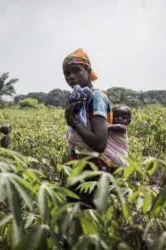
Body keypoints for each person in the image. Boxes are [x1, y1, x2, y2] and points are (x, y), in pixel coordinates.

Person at [63, 48, 113, 208]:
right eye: (66, 73)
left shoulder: (95, 96)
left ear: (88, 70)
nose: (71, 76)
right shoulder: (79, 98)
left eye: (76, 71)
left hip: (95, 171)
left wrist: (73, 122)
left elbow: (99, 144)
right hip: (81, 168)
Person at [67, 104, 131, 167]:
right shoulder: (109, 123)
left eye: (124, 117)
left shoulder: (121, 128)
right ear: (110, 117)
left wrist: (101, 127)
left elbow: (118, 127)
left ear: (129, 121)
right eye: (116, 116)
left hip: (117, 150)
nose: (119, 118)